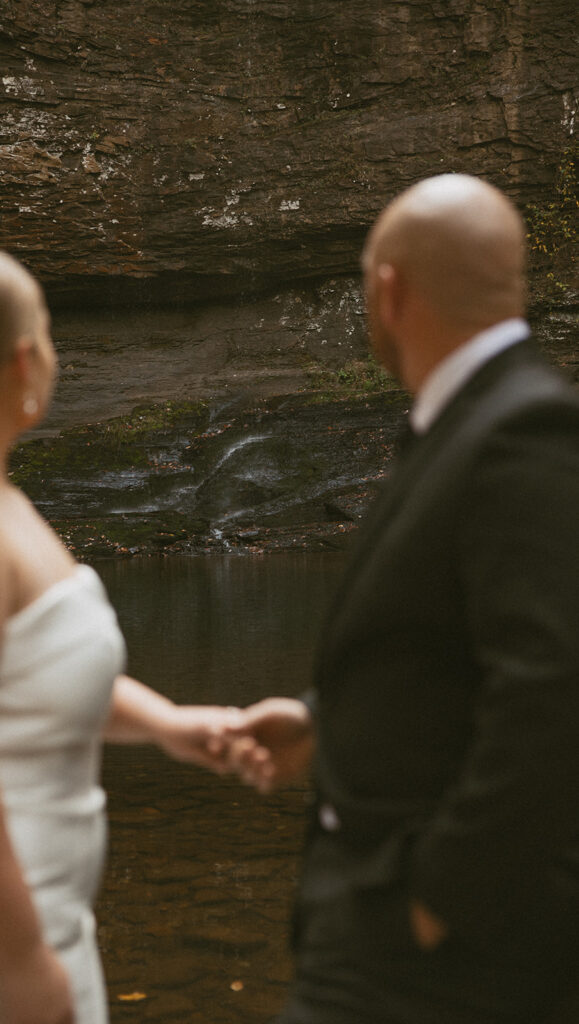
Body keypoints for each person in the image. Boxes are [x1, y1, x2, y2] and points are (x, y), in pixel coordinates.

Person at [228, 174, 579, 1023]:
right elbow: (441, 642)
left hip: (438, 949)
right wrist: (325, 722)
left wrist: (438, 898)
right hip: (391, 918)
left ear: (386, 290)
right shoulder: (460, 421)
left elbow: (551, 684)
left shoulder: (524, 430)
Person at [0, 245, 238, 1024]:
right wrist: (18, 960)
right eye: (49, 334)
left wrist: (169, 725)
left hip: (36, 909)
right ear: (24, 359)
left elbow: (21, 676)